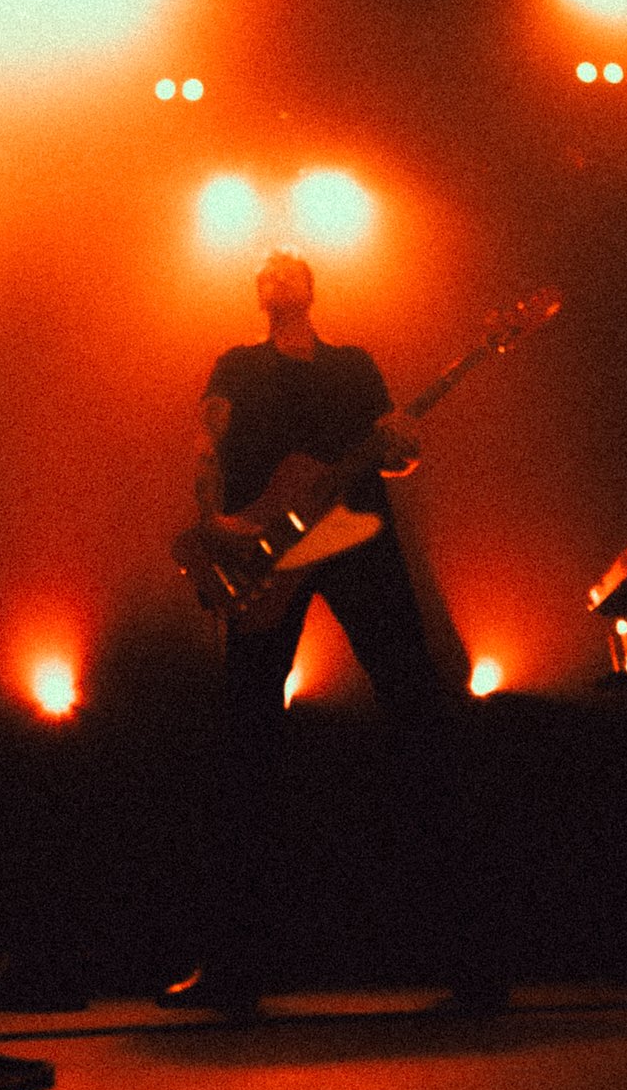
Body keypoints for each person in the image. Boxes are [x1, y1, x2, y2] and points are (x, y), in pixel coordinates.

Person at [162, 253, 505, 1015]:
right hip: (267, 555)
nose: (275, 268)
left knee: (420, 716)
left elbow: (400, 459)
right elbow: (206, 443)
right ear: (259, 293)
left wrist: (405, 441)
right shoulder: (237, 364)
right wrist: (213, 517)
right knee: (245, 741)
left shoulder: (355, 366)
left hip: (357, 537)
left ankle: (474, 961)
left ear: (310, 287)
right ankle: (233, 967)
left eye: (289, 264)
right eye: (266, 267)